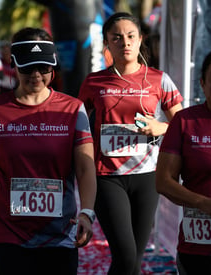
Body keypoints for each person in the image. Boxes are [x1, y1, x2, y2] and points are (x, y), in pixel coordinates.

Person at [0, 27, 97, 275]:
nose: (36, 75)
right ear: (14, 65)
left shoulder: (73, 109)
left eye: (44, 67)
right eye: (28, 67)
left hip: (60, 233)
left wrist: (87, 214)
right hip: (5, 233)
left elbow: (85, 166)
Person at [78, 12, 183, 275]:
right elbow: (77, 130)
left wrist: (160, 127)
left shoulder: (160, 80)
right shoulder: (93, 82)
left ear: (140, 40)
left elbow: (185, 129)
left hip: (147, 177)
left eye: (130, 36)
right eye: (117, 37)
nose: (124, 42)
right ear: (107, 44)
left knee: (133, 261)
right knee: (125, 256)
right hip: (107, 177)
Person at [156, 48, 211, 275]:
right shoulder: (185, 121)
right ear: (202, 83)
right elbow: (164, 181)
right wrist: (202, 203)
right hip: (198, 246)